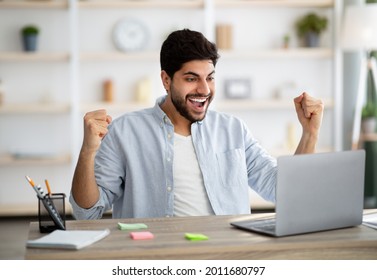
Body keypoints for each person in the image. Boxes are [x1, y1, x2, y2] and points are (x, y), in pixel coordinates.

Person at [70, 29, 324, 219]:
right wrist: (88, 152)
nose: (204, 89)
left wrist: (309, 134)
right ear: (166, 80)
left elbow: (285, 191)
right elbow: (87, 213)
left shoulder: (233, 129)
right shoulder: (125, 132)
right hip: (154, 259)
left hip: (226, 258)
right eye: (191, 79)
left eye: (210, 78)